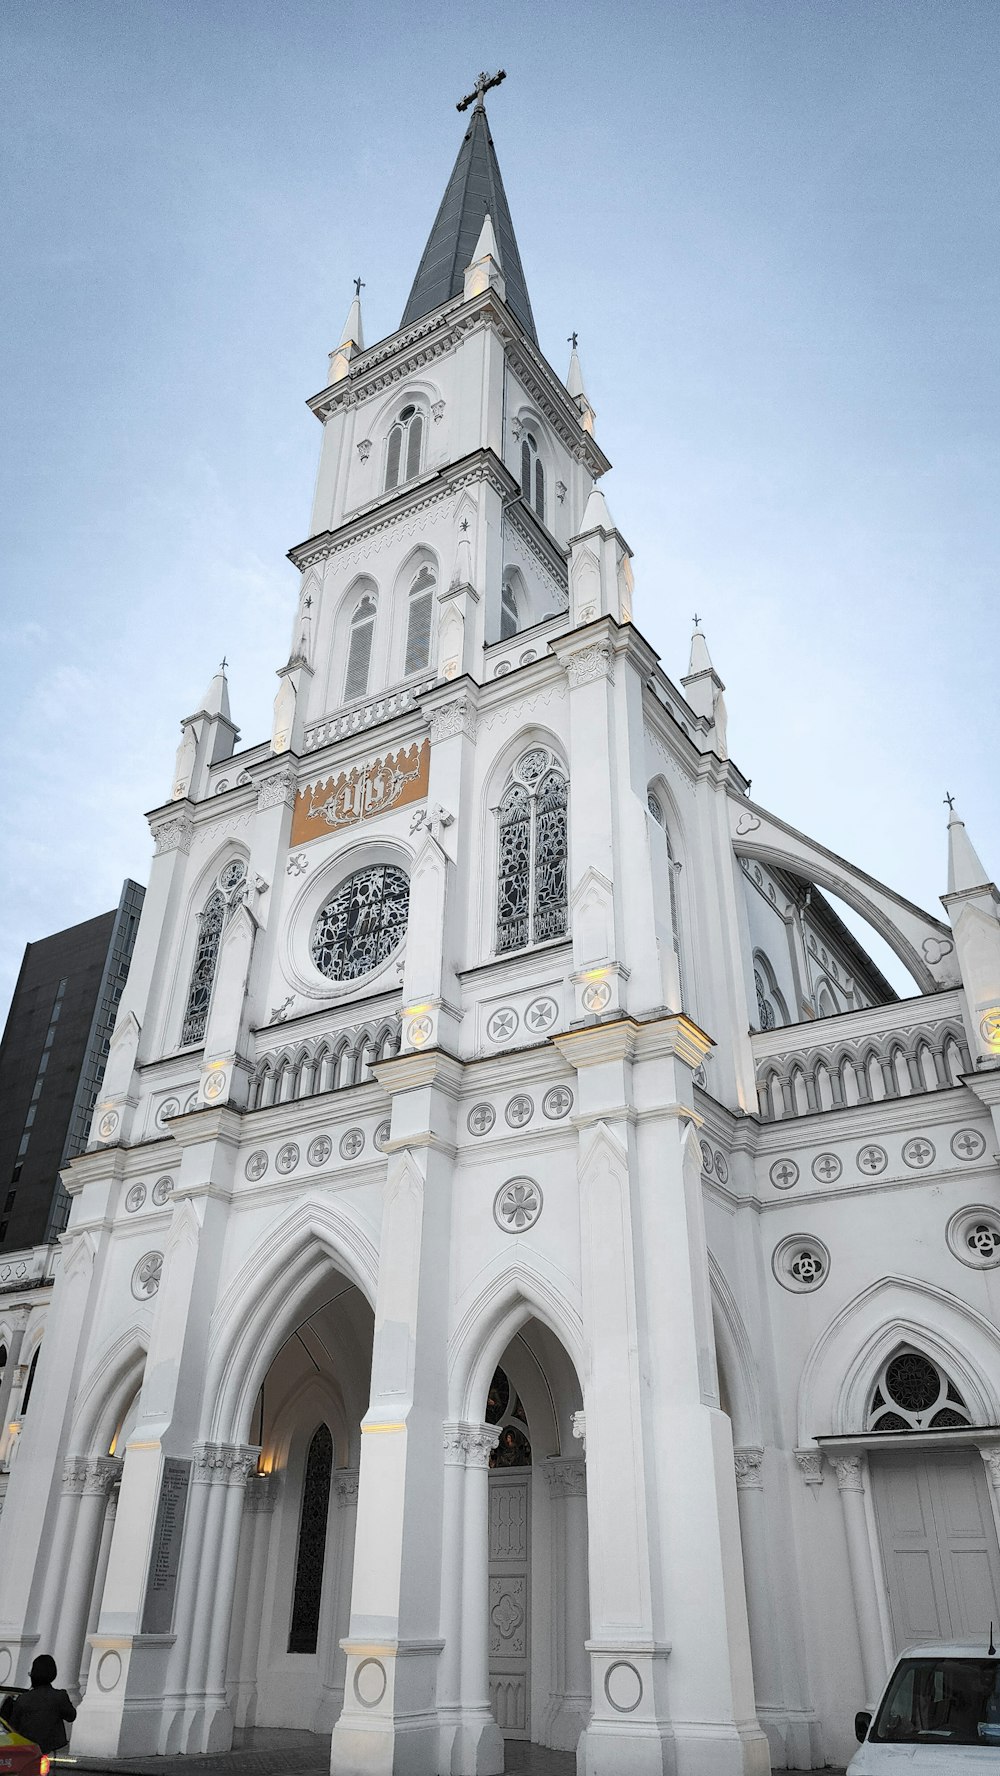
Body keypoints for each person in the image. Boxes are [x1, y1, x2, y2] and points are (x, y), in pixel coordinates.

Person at [5, 1657, 76, 1754]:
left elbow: (13, 1725)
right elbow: (71, 1716)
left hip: (27, 1748)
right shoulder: (59, 1696)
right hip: (51, 1748)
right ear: (53, 1674)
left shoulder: (23, 1698)